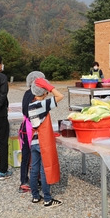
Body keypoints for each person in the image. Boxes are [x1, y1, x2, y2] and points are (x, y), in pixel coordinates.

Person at [27, 75, 64, 208]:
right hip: (43, 143)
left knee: (34, 170)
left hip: (34, 142)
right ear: (43, 92)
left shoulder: (31, 104)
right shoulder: (41, 104)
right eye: (46, 91)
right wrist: (50, 87)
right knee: (45, 170)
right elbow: (60, 96)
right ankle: (48, 199)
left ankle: (35, 196)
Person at [17, 71, 43, 193]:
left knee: (27, 157)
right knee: (31, 156)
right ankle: (28, 181)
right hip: (29, 130)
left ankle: (27, 179)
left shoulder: (26, 93)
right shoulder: (33, 96)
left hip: (25, 128)